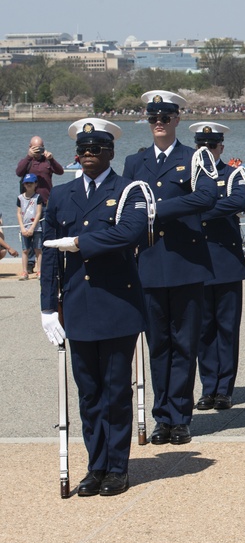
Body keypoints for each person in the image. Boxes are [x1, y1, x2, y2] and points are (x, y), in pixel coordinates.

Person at [39, 118, 153, 497]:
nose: (88, 156)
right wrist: (47, 308)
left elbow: (129, 233)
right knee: (89, 393)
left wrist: (80, 243)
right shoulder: (61, 195)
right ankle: (96, 465)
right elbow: (50, 256)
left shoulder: (130, 190)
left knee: (116, 392)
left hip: (117, 305)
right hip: (78, 305)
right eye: (83, 150)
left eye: (96, 150)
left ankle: (117, 468)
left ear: (110, 153)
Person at [122, 91, 218, 446]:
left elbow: (207, 197)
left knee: (184, 344)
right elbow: (127, 202)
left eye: (165, 116)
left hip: (185, 265)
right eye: (153, 117)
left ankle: (180, 416)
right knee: (158, 345)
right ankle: (162, 416)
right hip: (148, 264)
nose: (159, 122)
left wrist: (157, 210)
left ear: (178, 119)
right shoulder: (136, 161)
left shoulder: (194, 158)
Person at [189, 122, 245, 412]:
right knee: (202, 330)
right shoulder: (188, 177)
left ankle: (224, 389)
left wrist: (197, 210)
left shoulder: (233, 173)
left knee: (226, 328)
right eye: (202, 146)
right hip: (197, 261)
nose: (208, 151)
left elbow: (239, 201)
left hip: (226, 262)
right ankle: (208, 387)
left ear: (221, 148)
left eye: (212, 146)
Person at [15, 136, 64, 275]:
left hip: (46, 201)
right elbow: (18, 172)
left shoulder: (47, 160)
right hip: (29, 202)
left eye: (40, 148)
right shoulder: (27, 161)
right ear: (30, 147)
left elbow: (60, 171)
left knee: (45, 233)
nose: (38, 151)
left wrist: (52, 159)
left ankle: (46, 261)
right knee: (29, 233)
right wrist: (29, 157)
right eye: (35, 148)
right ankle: (30, 263)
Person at [16, 174, 43, 280]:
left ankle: (40, 270)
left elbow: (38, 213)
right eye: (26, 183)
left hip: (36, 228)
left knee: (38, 249)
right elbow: (18, 213)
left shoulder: (38, 197)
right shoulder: (20, 198)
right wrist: (22, 228)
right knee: (25, 250)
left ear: (36, 184)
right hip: (24, 227)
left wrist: (32, 228)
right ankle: (24, 271)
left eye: (31, 183)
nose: (28, 185)